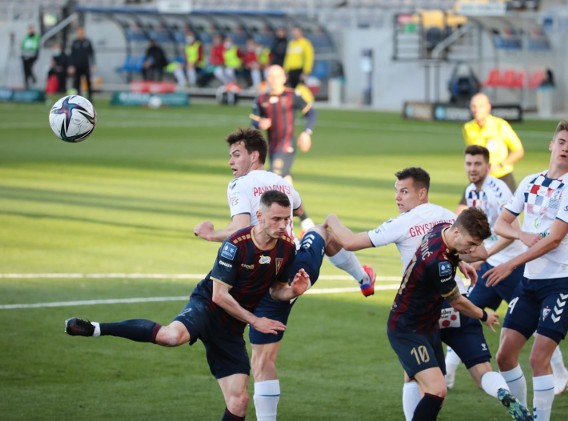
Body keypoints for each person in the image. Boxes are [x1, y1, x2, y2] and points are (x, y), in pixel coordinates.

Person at [64, 190, 311, 420]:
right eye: (276, 218)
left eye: (287, 219)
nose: (283, 225)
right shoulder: (236, 244)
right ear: (259, 216)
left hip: (231, 327)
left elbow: (275, 289)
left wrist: (292, 291)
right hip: (207, 307)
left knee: (239, 401)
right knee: (171, 337)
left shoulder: (287, 247)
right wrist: (256, 321)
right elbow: (219, 296)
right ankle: (96, 328)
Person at [193, 128, 376, 421]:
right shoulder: (282, 183)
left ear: (254, 156)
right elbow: (302, 211)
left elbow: (240, 229)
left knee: (262, 361)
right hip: (296, 268)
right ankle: (363, 278)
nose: (231, 161)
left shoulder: (239, 184)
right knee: (323, 231)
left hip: (263, 276)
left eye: (236, 154)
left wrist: (209, 233)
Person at [324, 167, 531, 421]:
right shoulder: (446, 218)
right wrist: (464, 262)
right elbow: (475, 252)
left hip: (426, 312)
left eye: (404, 192)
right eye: (396, 192)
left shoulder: (404, 223)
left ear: (421, 193)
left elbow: (350, 242)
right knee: (479, 371)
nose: (397, 198)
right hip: (455, 306)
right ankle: (502, 392)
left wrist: (330, 220)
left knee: (416, 377)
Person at [446, 145, 568, 397]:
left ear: (488, 166)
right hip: (492, 267)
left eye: (477, 164)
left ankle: (560, 372)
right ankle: (447, 375)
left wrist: (486, 255)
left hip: (512, 267)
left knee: (536, 323)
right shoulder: (472, 192)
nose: (472, 169)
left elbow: (512, 230)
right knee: (464, 311)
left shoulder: (498, 189)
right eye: (469, 164)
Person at [484, 120, 568, 421]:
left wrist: (512, 262)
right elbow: (501, 223)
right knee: (504, 356)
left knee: (538, 358)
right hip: (530, 282)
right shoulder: (530, 182)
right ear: (551, 145)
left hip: (561, 283)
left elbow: (555, 238)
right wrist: (520, 235)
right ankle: (522, 415)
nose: (565, 148)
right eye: (562, 142)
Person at [386, 208, 525, 421]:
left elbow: (452, 253)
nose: (473, 249)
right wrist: (484, 315)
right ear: (458, 233)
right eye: (471, 243)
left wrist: (461, 262)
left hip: (428, 325)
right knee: (436, 389)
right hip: (407, 328)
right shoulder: (439, 265)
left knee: (431, 389)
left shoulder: (440, 229)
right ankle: (501, 390)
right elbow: (458, 301)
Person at [250, 65, 317, 234]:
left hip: (286, 145)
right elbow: (254, 120)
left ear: (284, 78)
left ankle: (271, 224)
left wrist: (306, 133)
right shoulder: (261, 98)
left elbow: (311, 113)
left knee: (273, 180)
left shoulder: (291, 95)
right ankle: (306, 223)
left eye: (277, 76)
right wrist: (260, 123)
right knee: (286, 185)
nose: (274, 80)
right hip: (271, 148)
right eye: (271, 77)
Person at [462, 93, 525, 193]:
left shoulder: (500, 125)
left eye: (480, 106)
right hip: (479, 178)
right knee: (465, 208)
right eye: (474, 106)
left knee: (505, 208)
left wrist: (500, 165)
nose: (476, 110)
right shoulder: (468, 128)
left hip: (502, 177)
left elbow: (518, 151)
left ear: (488, 107)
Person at [68, 26, 95, 101]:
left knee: (88, 82)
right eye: (79, 32)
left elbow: (91, 54)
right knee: (77, 83)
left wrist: (93, 64)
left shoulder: (87, 42)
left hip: (86, 66)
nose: (80, 34)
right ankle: (77, 98)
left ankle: (90, 99)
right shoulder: (74, 42)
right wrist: (71, 66)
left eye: (82, 32)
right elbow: (72, 55)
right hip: (77, 66)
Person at [20, 23, 40, 89]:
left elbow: (35, 46)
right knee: (25, 70)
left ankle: (33, 78)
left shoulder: (36, 36)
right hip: (25, 54)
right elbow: (23, 46)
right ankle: (26, 84)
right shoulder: (26, 37)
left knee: (29, 68)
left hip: (32, 55)